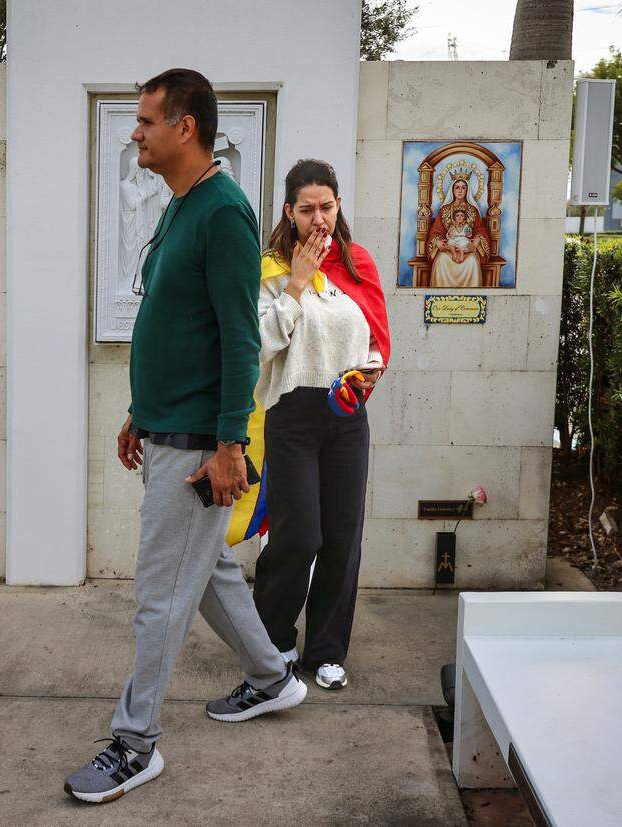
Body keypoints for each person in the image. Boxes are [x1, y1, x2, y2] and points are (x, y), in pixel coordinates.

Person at [64, 69, 306, 805]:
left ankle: (136, 743)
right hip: (168, 426)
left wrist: (231, 444)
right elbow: (174, 326)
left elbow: (239, 338)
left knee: (158, 593)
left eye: (145, 121)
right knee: (207, 578)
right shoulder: (181, 207)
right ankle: (273, 678)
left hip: (204, 441)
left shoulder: (224, 214)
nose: (135, 132)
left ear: (185, 128)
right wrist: (141, 406)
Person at [251, 159, 391, 691]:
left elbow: (377, 338)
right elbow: (260, 345)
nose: (318, 219)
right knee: (298, 533)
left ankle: (328, 649)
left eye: (326, 207)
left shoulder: (358, 265)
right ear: (289, 211)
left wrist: (366, 374)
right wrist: (297, 284)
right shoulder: (268, 268)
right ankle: (273, 638)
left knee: (342, 536)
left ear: (338, 207)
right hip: (292, 415)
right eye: (306, 209)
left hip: (347, 413)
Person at [426, 173, 490, 288]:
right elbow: (436, 231)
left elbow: (480, 230)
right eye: (457, 187)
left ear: (467, 190)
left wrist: (476, 242)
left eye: (463, 187)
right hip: (448, 249)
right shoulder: (444, 210)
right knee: (441, 260)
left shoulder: (473, 210)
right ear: (452, 190)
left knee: (472, 262)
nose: (460, 190)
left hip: (467, 249)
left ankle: (470, 297)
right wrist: (437, 242)